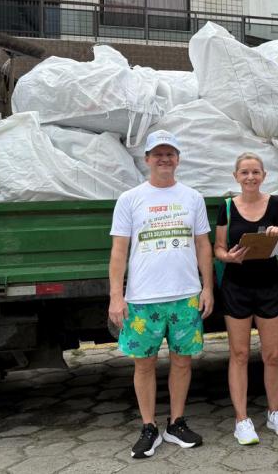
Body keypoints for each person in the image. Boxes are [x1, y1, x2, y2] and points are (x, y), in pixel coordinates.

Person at [108, 130, 214, 459]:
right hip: (142, 299)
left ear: (178, 159)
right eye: (158, 154)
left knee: (182, 363)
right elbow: (118, 251)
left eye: (170, 153)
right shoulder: (130, 199)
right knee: (144, 366)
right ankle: (149, 427)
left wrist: (207, 286)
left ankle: (176, 423)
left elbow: (202, 245)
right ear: (147, 159)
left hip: (185, 296)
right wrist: (116, 295)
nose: (164, 159)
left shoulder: (192, 198)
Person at [214, 152, 278, 445]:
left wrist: (277, 235)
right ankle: (242, 420)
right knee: (239, 354)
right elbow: (219, 249)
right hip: (236, 286)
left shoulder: (275, 205)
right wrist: (229, 258)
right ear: (236, 176)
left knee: (273, 355)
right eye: (244, 172)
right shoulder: (226, 207)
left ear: (263, 175)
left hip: (269, 286)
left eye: (255, 172)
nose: (250, 177)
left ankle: (274, 413)